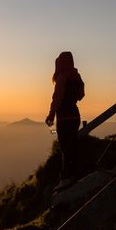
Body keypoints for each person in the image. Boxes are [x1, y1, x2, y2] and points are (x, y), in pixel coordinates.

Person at [45, 51, 84, 192]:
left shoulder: (62, 77)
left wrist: (50, 115)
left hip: (63, 118)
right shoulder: (77, 77)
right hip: (75, 116)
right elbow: (81, 95)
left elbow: (57, 98)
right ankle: (74, 175)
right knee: (72, 146)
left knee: (65, 148)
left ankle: (66, 178)